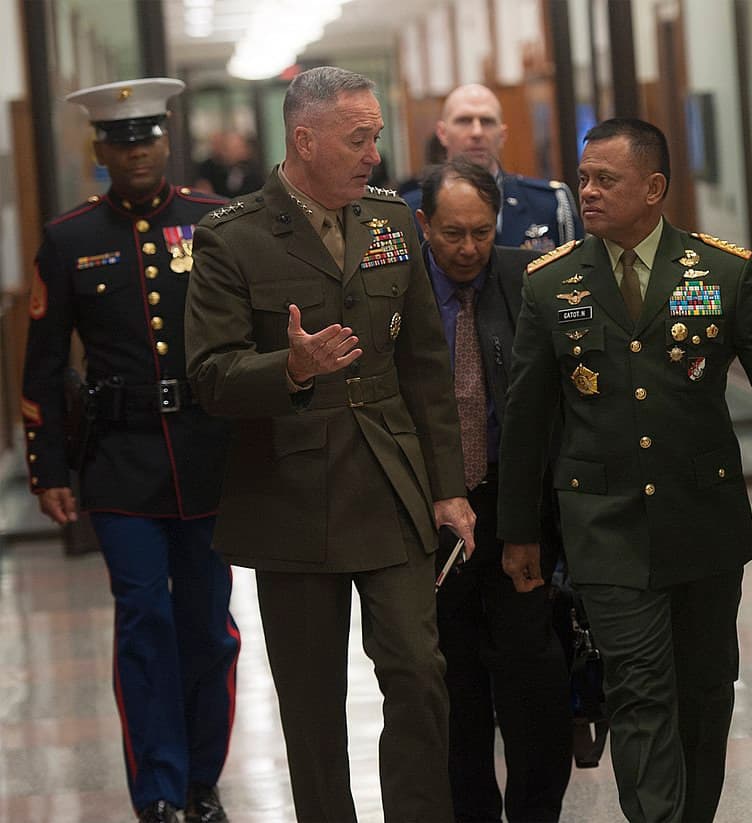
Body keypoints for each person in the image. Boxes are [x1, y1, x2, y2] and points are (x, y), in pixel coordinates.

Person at [497, 118, 752, 823]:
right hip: (606, 525)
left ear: (654, 188)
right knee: (640, 690)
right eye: (584, 177)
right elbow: (525, 421)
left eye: (605, 179)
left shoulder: (723, 273)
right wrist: (520, 532)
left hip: (703, 518)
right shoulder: (551, 285)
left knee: (706, 694)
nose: (587, 190)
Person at [185, 66, 476, 823]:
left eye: (375, 136)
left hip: (389, 477)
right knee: (312, 705)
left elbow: (424, 367)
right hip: (290, 492)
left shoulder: (390, 221)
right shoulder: (230, 238)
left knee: (418, 672)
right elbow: (210, 377)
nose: (374, 153)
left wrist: (449, 487)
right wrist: (290, 366)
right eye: (359, 138)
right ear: (304, 139)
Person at [21, 77, 240, 823]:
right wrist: (47, 466)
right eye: (120, 140)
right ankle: (158, 790)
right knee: (144, 620)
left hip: (208, 457)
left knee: (208, 627)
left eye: (146, 136)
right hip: (118, 460)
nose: (136, 150)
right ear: (100, 150)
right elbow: (44, 363)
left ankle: (201, 781)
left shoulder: (216, 222)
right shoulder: (70, 237)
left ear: (166, 141)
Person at [414, 157, 573, 823]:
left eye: (482, 231)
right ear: (425, 225)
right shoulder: (399, 291)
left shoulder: (526, 279)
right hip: (433, 519)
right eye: (453, 234)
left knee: (535, 687)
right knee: (455, 694)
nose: (469, 248)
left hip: (515, 512)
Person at [434, 83, 581, 251]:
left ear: (503, 135)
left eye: (487, 121)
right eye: (464, 121)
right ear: (442, 133)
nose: (477, 132)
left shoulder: (550, 203)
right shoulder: (415, 210)